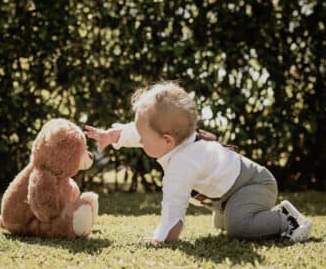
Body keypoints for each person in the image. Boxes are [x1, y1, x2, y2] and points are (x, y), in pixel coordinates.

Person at [85, 81, 313, 245]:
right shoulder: (174, 141)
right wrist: (112, 135)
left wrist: (161, 238)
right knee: (221, 225)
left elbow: (173, 207)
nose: (140, 140)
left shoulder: (183, 162)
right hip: (229, 194)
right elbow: (137, 132)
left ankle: (286, 219)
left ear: (167, 140)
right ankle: (244, 213)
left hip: (254, 185)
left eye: (143, 138)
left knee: (239, 227)